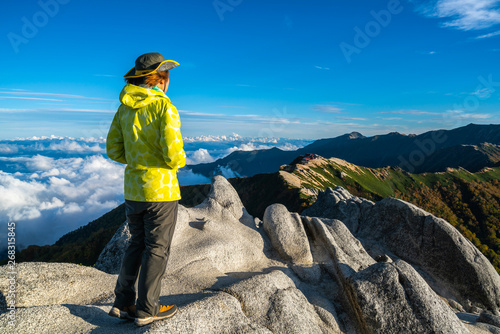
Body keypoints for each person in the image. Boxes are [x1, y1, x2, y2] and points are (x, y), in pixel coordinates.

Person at [106, 52, 186, 327]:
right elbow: (174, 152)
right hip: (160, 191)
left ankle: (122, 303)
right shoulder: (165, 106)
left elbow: (113, 149)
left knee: (135, 244)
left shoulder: (124, 107)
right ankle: (147, 308)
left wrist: (138, 160)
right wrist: (174, 163)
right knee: (156, 249)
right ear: (160, 78)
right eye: (167, 77)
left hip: (133, 189)